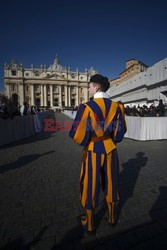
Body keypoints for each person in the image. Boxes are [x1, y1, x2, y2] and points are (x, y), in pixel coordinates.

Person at [69, 74, 127, 232]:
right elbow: (120, 133)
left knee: (91, 183)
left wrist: (89, 139)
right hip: (111, 149)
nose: (87, 89)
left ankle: (89, 223)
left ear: (97, 87)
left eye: (89, 86)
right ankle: (112, 216)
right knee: (111, 181)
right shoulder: (117, 107)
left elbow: (76, 134)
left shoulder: (86, 107)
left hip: (94, 149)